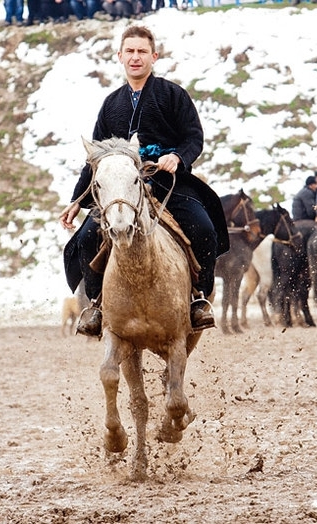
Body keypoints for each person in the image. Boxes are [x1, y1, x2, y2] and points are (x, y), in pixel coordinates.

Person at [59, 25, 229, 338]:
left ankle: (199, 299)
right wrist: (77, 200)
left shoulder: (173, 94)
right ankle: (96, 305)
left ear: (154, 56)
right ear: (120, 56)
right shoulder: (112, 104)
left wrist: (177, 157)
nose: (135, 57)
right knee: (84, 240)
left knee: (205, 228)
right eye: (130, 51)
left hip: (169, 183)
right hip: (121, 188)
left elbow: (194, 136)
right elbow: (96, 157)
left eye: (141, 51)